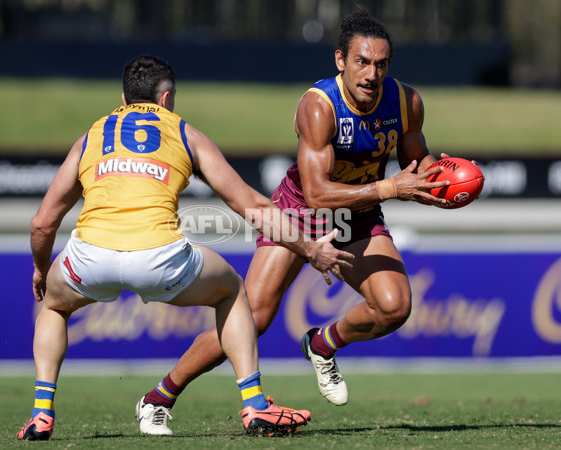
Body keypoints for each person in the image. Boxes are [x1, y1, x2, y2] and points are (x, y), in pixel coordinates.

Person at [137, 7, 454, 435]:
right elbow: (319, 191)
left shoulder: (406, 101)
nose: (371, 74)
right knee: (254, 319)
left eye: (381, 64)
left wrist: (447, 184)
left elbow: (418, 165)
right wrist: (389, 189)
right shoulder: (319, 106)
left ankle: (322, 345)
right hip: (298, 213)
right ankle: (158, 398)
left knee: (394, 307)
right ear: (340, 60)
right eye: (362, 62)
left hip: (356, 218)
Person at [16, 55, 355, 441]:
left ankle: (41, 414)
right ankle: (255, 404)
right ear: (166, 98)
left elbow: (43, 222)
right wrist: (310, 248)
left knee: (54, 306)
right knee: (232, 290)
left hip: (91, 256)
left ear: (123, 97)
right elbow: (253, 207)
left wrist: (42, 269)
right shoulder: (184, 133)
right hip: (161, 258)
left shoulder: (91, 136)